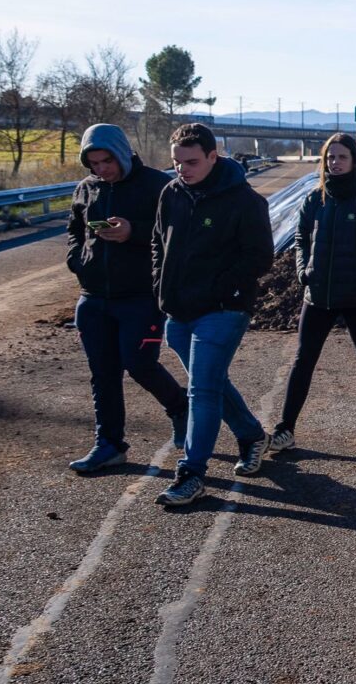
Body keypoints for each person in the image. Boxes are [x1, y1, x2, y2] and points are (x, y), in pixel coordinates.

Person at [151, 122, 274, 506]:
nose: (182, 170)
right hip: (178, 310)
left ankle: (191, 473)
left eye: (190, 162)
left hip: (223, 310)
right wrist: (160, 285)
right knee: (212, 383)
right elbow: (158, 243)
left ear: (212, 156)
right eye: (176, 163)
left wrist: (220, 288)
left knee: (201, 390)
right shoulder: (171, 193)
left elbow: (260, 257)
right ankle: (252, 435)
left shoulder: (244, 201)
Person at [268, 133, 356, 453]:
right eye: (331, 157)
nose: (335, 162)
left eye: (342, 157)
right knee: (303, 360)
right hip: (317, 295)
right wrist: (303, 271)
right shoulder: (314, 199)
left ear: (354, 160)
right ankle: (285, 428)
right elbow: (302, 238)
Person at [63, 124, 189, 474]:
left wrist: (133, 232)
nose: (102, 168)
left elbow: (176, 233)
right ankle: (110, 445)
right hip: (92, 297)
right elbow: (74, 229)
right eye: (94, 162)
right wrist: (77, 261)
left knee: (139, 363)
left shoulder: (156, 184)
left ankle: (180, 407)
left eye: (107, 160)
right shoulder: (86, 189)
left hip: (140, 297)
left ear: (122, 152)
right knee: (102, 373)